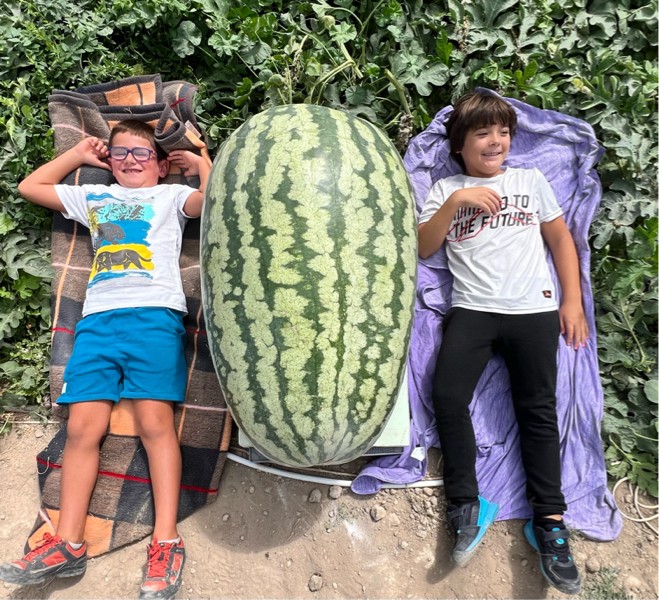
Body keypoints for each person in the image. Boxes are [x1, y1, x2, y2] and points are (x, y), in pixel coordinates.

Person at [0, 120, 210, 600]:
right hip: (96, 323)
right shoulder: (94, 198)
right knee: (81, 428)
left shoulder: (170, 197)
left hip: (154, 318)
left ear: (161, 165)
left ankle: (166, 540)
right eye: (120, 153)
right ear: (109, 162)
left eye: (142, 153)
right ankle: (67, 542)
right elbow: (30, 186)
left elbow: (214, 202)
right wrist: (78, 155)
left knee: (155, 424)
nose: (130, 160)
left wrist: (200, 162)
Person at [417, 90, 588, 595]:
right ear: (460, 145)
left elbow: (561, 239)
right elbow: (425, 247)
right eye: (483, 133)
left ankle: (549, 522)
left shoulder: (529, 181)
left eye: (504, 132)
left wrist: (572, 301)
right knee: (448, 397)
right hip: (473, 311)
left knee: (537, 409)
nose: (496, 141)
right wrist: (456, 202)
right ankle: (466, 504)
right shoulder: (446, 188)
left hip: (532, 310)